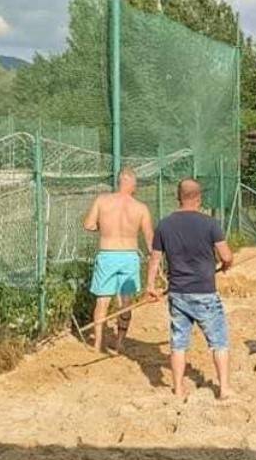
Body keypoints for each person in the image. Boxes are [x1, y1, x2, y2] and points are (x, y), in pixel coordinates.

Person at [145, 179, 234, 401]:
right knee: (218, 342)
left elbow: (154, 259)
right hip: (204, 291)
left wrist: (150, 286)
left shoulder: (165, 225)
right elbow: (227, 255)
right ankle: (223, 388)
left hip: (177, 293)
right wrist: (225, 266)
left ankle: (177, 387)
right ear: (198, 198)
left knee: (178, 343)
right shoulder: (210, 223)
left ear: (179, 198)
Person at [82, 167, 154, 352]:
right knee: (126, 301)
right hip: (129, 256)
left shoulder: (102, 201)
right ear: (132, 184)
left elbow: (88, 225)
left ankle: (97, 343)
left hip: (107, 254)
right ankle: (119, 342)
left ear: (119, 182)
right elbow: (149, 239)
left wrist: (105, 227)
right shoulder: (141, 208)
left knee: (103, 300)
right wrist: (155, 261)